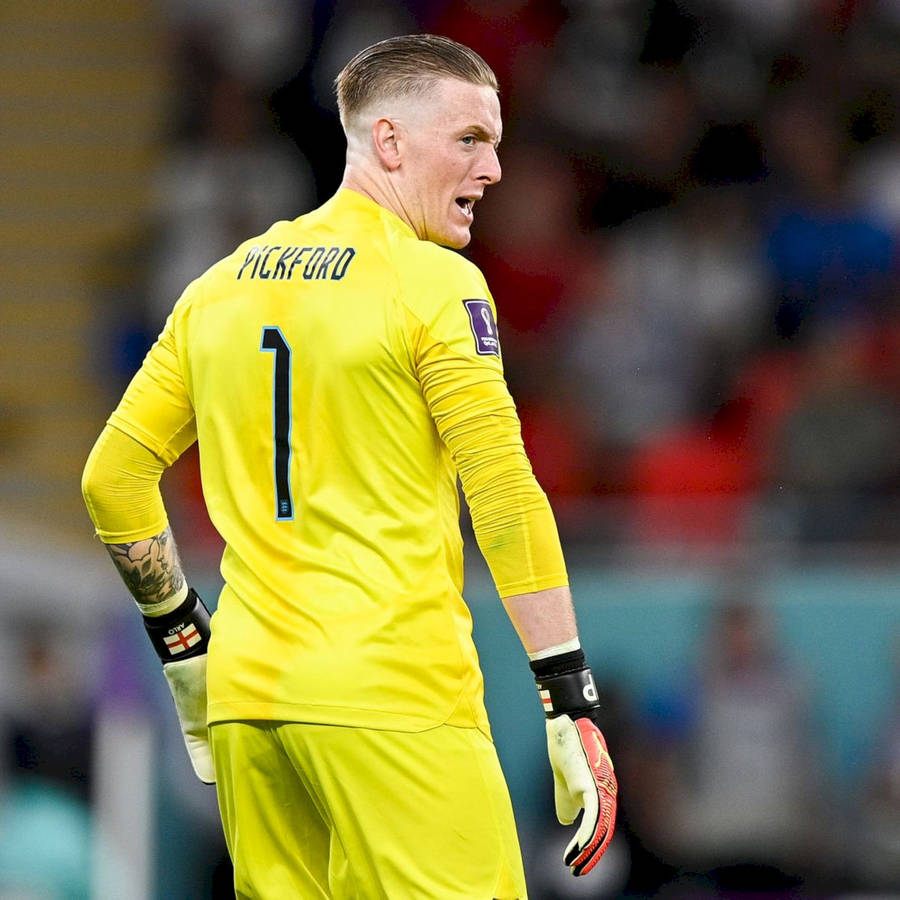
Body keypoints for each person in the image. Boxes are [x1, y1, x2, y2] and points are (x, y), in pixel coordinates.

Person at [81, 34, 616, 899]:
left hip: (249, 706)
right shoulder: (432, 284)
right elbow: (505, 495)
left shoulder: (219, 286)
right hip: (394, 698)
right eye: (471, 140)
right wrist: (567, 695)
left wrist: (186, 648)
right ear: (391, 142)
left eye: (498, 143)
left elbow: (111, 477)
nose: (495, 170)